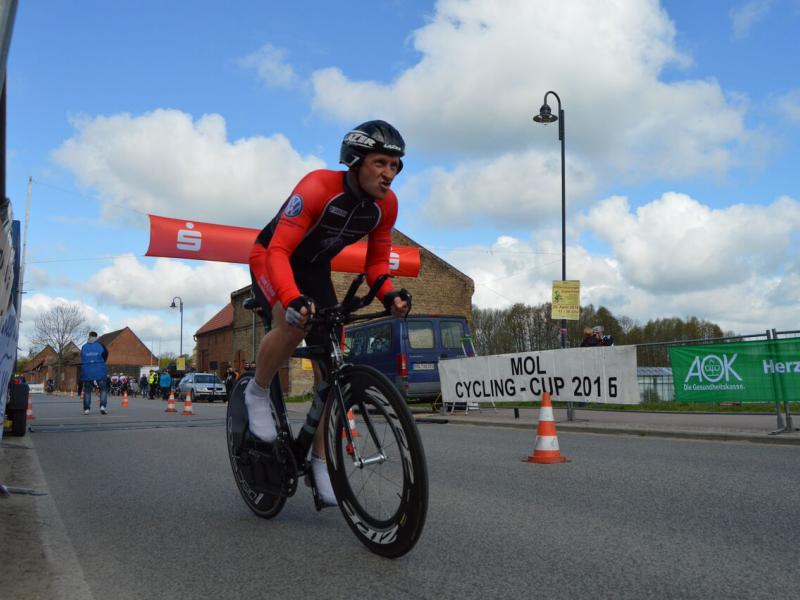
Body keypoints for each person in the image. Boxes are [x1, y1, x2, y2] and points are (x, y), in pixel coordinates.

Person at [245, 120, 412, 506]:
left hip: (315, 269)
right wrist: (291, 299)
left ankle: (320, 463)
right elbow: (279, 251)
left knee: (331, 368)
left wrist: (389, 295)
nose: (389, 174)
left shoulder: (386, 207)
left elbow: (376, 265)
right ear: (355, 161)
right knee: (294, 323)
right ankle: (257, 392)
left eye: (395, 166)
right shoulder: (318, 187)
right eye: (380, 163)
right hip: (271, 257)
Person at [80, 331, 109, 414]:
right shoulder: (101, 345)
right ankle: (102, 407)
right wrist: (101, 362)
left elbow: (82, 357)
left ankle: (87, 409)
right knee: (103, 389)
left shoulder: (84, 347)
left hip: (87, 370)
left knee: (87, 391)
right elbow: (106, 354)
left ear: (89, 336)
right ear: (96, 337)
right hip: (99, 369)